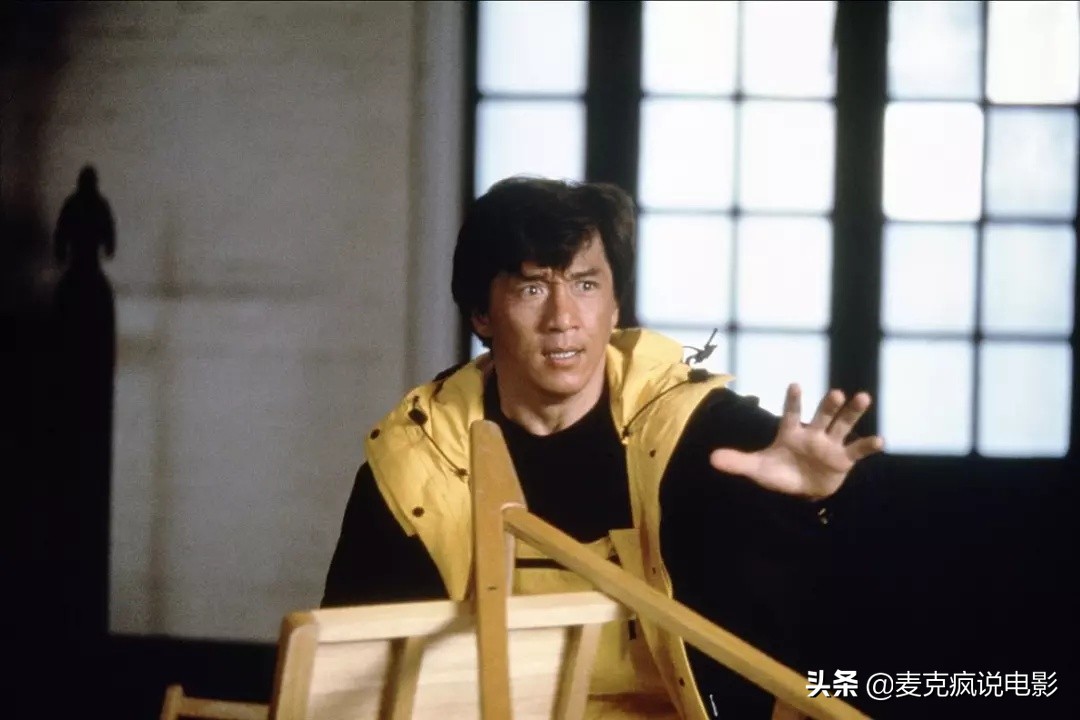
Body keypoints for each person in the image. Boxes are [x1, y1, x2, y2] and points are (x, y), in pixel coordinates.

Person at [322, 176, 883, 719]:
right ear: (481, 315)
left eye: (586, 285)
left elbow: (822, 603)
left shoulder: (692, 425)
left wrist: (818, 499)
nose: (563, 319)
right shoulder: (418, 460)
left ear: (615, 308)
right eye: (532, 288)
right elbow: (355, 670)